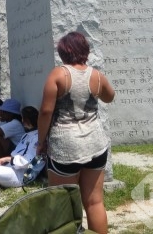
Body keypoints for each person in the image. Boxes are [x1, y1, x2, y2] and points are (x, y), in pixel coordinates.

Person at [37, 31, 115, 234]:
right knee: (95, 202)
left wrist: (40, 141)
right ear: (85, 51)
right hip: (95, 143)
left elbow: (46, 111)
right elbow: (110, 97)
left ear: (63, 52)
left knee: (63, 204)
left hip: (66, 146)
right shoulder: (96, 75)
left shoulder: (58, 74)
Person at [0, 106, 41, 189]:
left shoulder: (38, 137)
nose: (22, 121)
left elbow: (28, 162)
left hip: (23, 175)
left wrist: (7, 159)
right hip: (11, 167)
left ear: (27, 120)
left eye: (23, 119)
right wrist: (6, 162)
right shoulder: (26, 135)